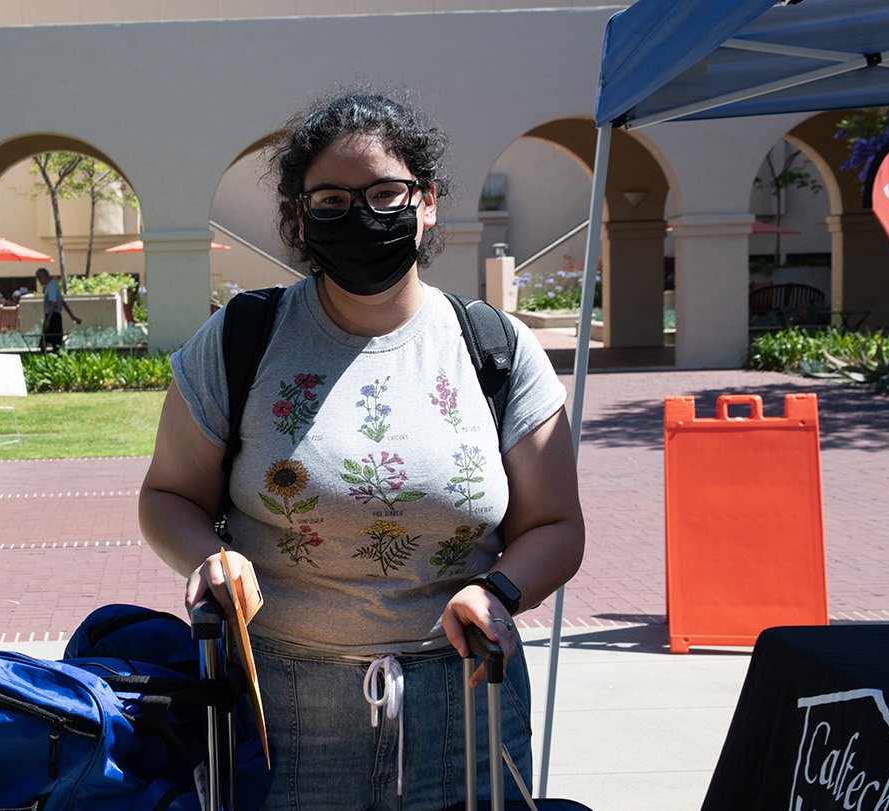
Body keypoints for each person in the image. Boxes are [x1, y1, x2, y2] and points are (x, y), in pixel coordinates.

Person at [138, 90, 584, 810]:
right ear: (300, 217)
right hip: (278, 713)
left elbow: (556, 525)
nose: (361, 217)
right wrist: (208, 558)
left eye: (384, 194)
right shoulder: (240, 340)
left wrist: (498, 591)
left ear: (427, 202)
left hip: (466, 702)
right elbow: (167, 497)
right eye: (331, 202)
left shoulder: (498, 350)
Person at [35, 267, 81, 351]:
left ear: (44, 276)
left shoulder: (51, 287)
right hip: (54, 316)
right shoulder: (53, 285)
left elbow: (53, 303)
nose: (39, 281)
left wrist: (48, 320)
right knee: (49, 341)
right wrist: (73, 317)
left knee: (49, 342)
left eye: (39, 278)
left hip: (53, 316)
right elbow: (62, 302)